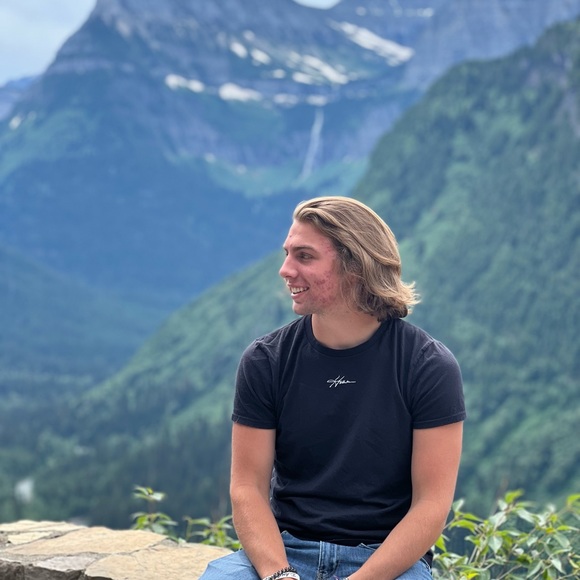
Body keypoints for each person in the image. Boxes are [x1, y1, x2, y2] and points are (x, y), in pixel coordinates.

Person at [201, 196, 466, 580]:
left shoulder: (428, 366)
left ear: (356, 266)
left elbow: (431, 506)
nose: (285, 270)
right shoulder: (266, 360)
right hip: (286, 550)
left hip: (385, 561)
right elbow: (247, 488)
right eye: (287, 254)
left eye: (304, 257)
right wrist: (279, 574)